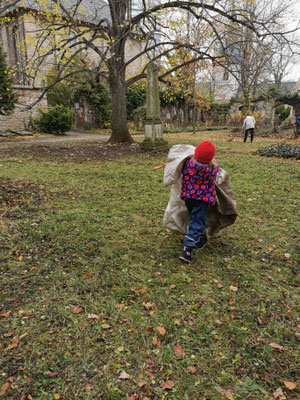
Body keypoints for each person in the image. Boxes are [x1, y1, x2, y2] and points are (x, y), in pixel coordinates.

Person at [179, 140, 219, 264]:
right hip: (202, 200)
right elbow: (216, 173)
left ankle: (201, 239)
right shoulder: (212, 169)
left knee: (196, 218)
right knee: (198, 222)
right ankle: (187, 249)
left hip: (188, 198)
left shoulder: (188, 164)